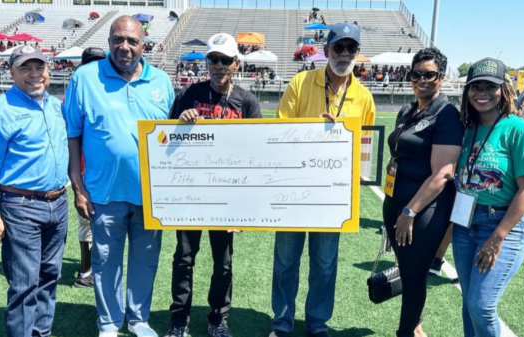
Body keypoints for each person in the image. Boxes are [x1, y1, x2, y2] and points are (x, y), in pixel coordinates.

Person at [64, 16, 174, 337]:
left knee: (145, 261)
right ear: (110, 40)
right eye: (118, 39)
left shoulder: (162, 82)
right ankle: (109, 323)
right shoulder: (85, 77)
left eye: (132, 41)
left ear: (144, 46)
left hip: (151, 196)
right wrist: (77, 184)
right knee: (105, 261)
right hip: (103, 191)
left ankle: (139, 319)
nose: (124, 47)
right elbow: (72, 134)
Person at [270, 22, 375, 337]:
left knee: (325, 265)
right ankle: (282, 323)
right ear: (326, 50)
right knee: (286, 262)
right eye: (338, 47)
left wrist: (341, 134)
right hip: (293, 192)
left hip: (333, 197)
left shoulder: (364, 98)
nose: (344, 54)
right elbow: (279, 132)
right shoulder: (301, 83)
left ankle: (317, 323)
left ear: (357, 53)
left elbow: (365, 156)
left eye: (350, 48)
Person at [164, 33, 262, 337]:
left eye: (225, 60)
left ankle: (218, 320)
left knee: (223, 263)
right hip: (191, 193)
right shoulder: (188, 94)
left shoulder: (246, 101)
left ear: (237, 63)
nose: (218, 65)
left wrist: (245, 206)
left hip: (227, 198)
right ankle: (179, 320)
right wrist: (181, 121)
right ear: (206, 61)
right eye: (213, 59)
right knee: (183, 259)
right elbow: (164, 141)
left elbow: (258, 154)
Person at [0, 45, 69, 337]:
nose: (34, 74)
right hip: (20, 206)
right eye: (26, 68)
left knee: (49, 278)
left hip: (58, 203)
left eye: (39, 67)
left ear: (48, 71)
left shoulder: (55, 106)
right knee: (25, 285)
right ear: (11, 72)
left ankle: (41, 333)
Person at [454, 57, 524, 337]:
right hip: (465, 224)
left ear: (505, 90)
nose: (482, 92)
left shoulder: (519, 129)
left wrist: (498, 236)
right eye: (475, 86)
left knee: (481, 306)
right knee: (469, 304)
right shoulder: (466, 129)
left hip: (502, 223)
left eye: (490, 86)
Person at [382, 47, 464, 337]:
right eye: (416, 74)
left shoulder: (447, 115)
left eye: (429, 74)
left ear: (441, 77)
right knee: (407, 272)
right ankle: (415, 329)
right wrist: (394, 212)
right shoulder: (407, 110)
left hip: (423, 211)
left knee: (415, 277)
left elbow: (444, 173)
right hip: (397, 203)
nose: (422, 80)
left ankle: (405, 332)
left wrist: (408, 212)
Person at [68, 47, 107, 289]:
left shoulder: (98, 89)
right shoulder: (78, 89)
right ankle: (86, 272)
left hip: (101, 169)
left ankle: (93, 268)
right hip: (85, 169)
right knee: (87, 221)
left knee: (97, 223)